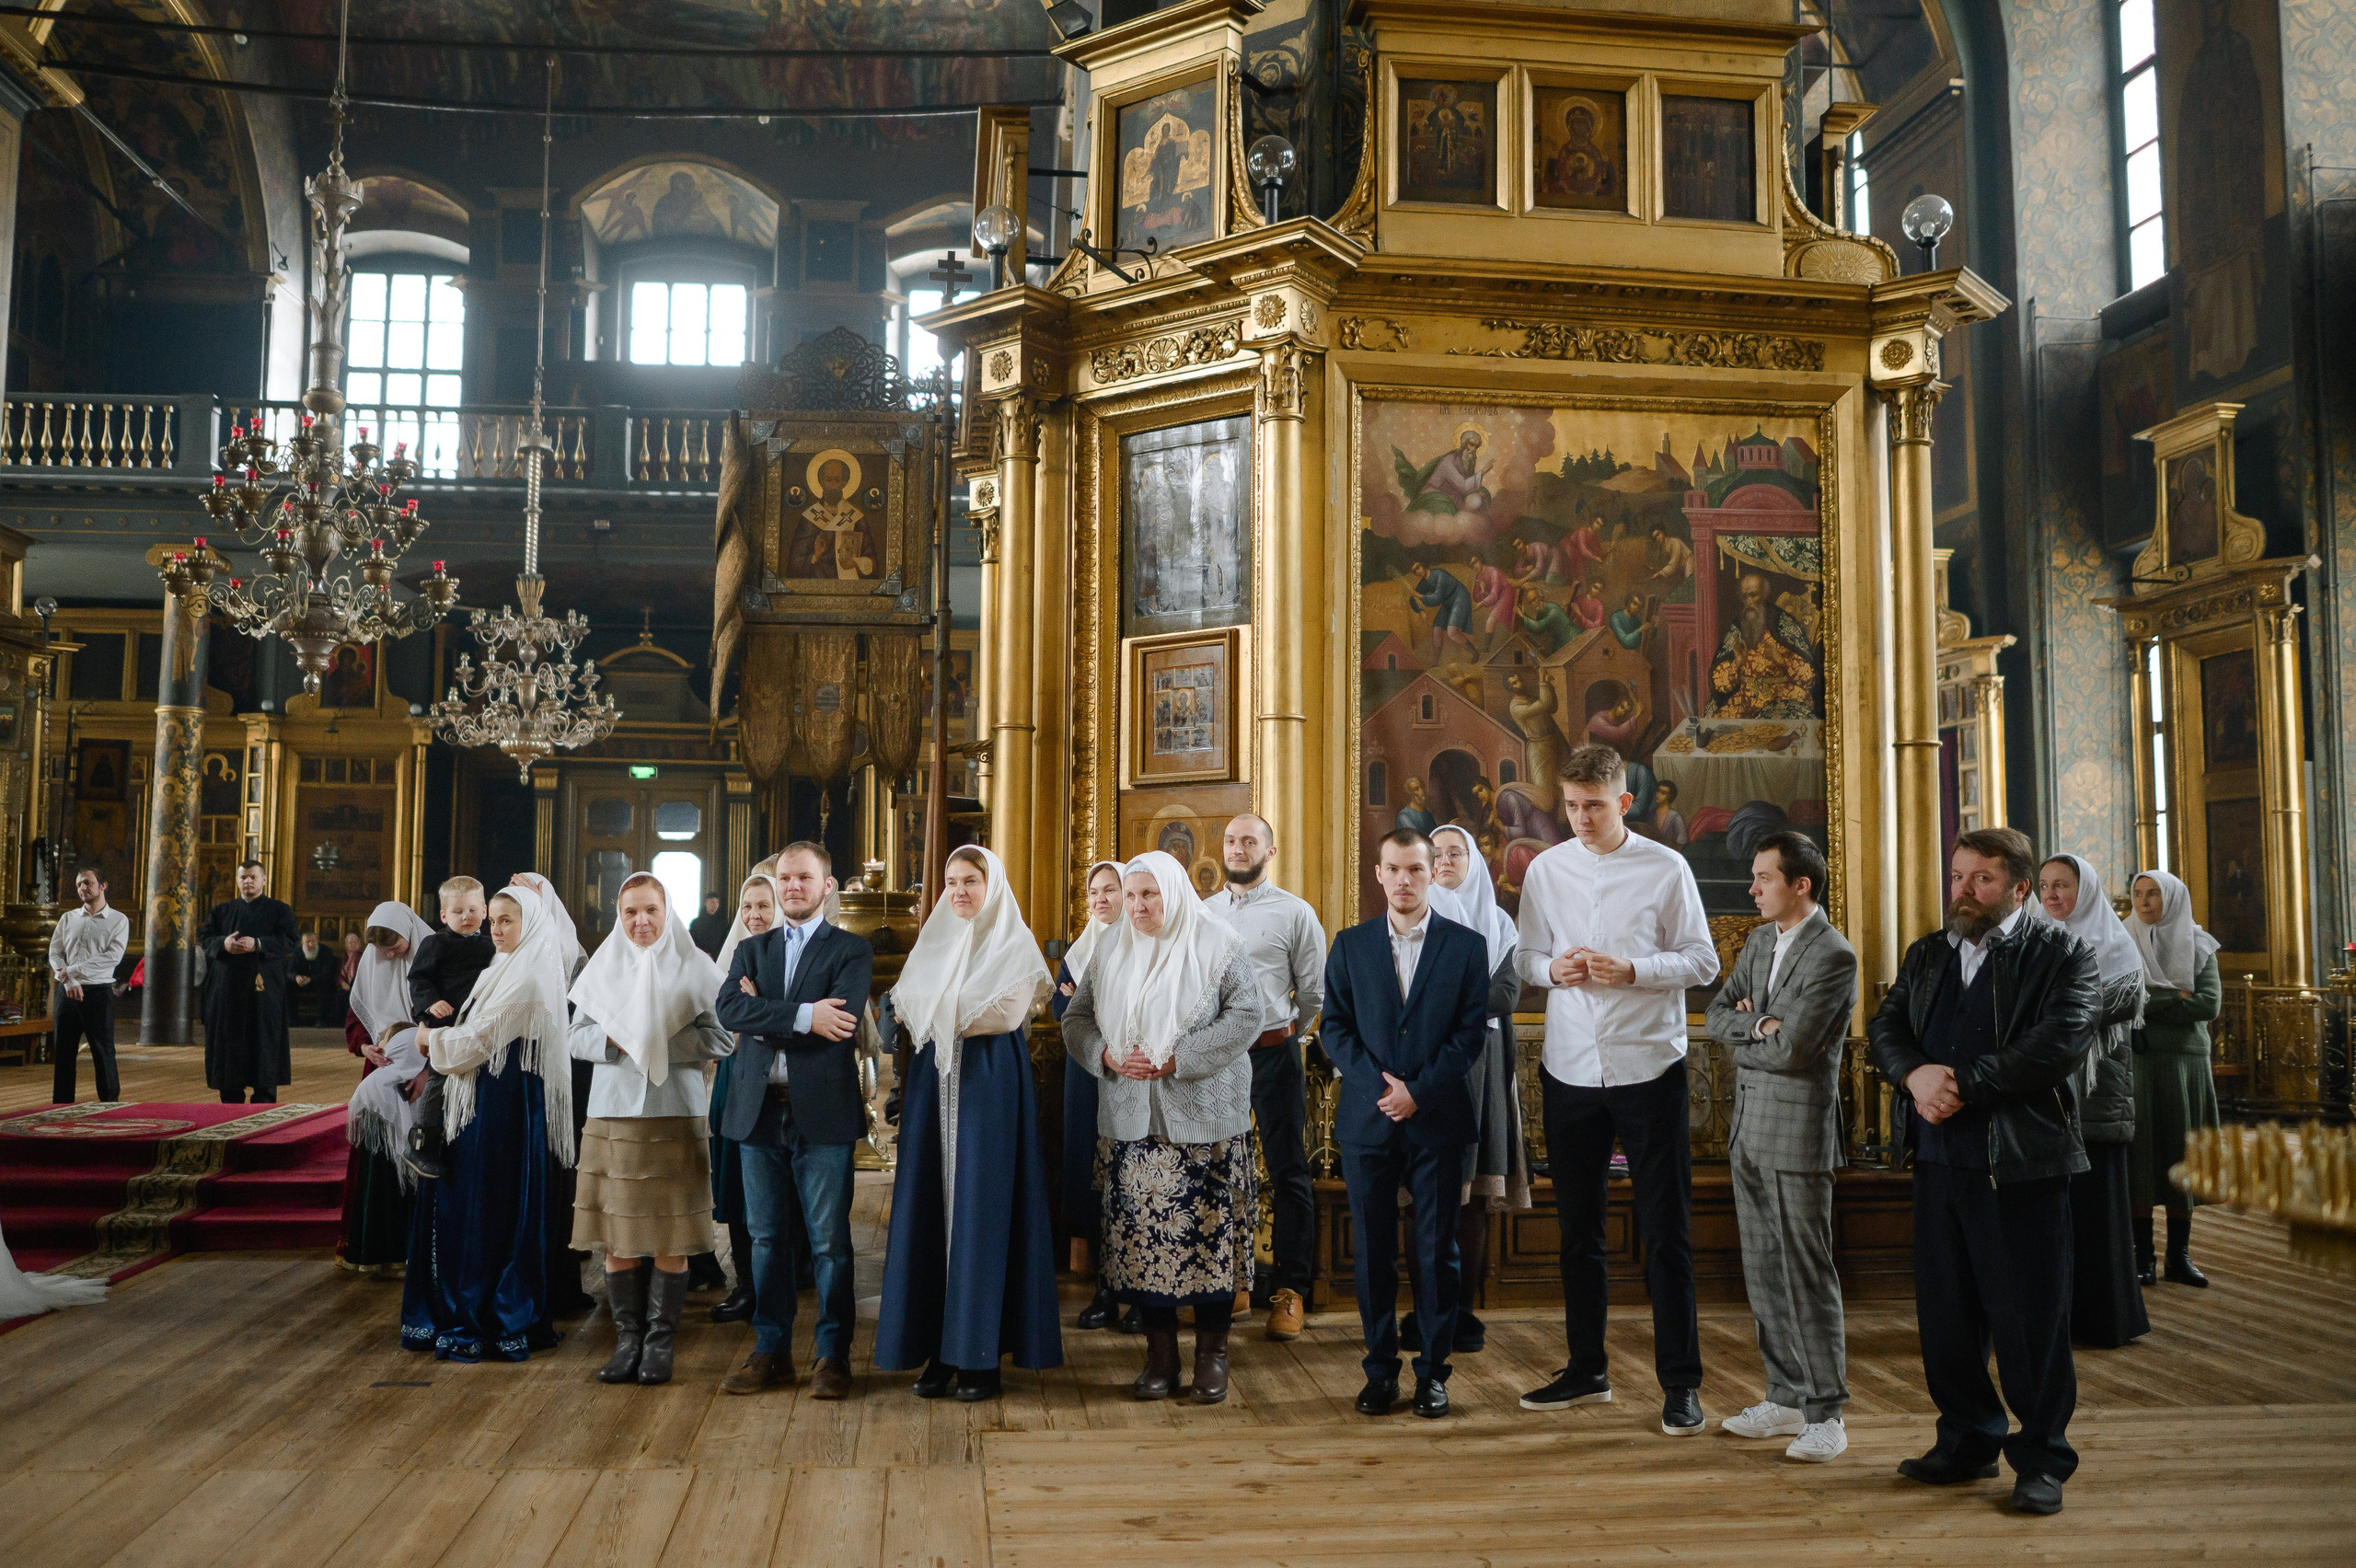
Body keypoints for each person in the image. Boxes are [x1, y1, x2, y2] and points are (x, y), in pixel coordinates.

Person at [1868, 826, 2099, 1516]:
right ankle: (1967, 1440)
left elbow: (2055, 1045)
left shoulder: (2063, 954)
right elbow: (1887, 1025)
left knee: (2029, 1319)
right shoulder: (1929, 952)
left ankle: (2041, 1459)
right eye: (1958, 876)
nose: (1964, 892)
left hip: (2020, 1163)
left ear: (2020, 889)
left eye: (1982, 880)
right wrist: (1912, 1075)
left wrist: (1960, 1084)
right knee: (1947, 1317)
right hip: (1938, 1159)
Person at [1513, 744, 1719, 1435]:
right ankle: (1586, 1369)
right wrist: (1553, 969)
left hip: (1649, 1068)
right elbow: (1525, 957)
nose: (1580, 818)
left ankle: (1681, 1383)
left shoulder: (1667, 867)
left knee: (1666, 1233)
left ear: (1624, 802)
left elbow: (1702, 959)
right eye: (1571, 806)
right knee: (1578, 1232)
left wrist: (1631, 970)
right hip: (1570, 1067)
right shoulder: (1546, 869)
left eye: (1594, 807)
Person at [1060, 852, 1257, 1403]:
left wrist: (1180, 1056)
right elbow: (1075, 1019)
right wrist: (1107, 1055)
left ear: (1173, 892)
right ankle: (1160, 1358)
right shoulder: (1109, 949)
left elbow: (1247, 1017)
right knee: (1141, 1246)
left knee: (1207, 1240)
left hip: (1205, 1123)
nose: (1139, 906)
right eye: (1131, 895)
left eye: (1150, 894)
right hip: (1130, 1122)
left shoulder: (1219, 944)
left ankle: (1212, 1358)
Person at [873, 846, 1060, 1401]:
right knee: (931, 1206)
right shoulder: (935, 942)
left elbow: (1002, 1016)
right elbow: (901, 1009)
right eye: (952, 881)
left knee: (982, 1208)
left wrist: (935, 1011)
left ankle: (978, 1355)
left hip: (988, 1084)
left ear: (992, 886)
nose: (959, 891)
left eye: (971, 881)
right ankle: (937, 1350)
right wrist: (937, 1011)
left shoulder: (1015, 945)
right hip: (935, 1083)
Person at [1321, 828, 1492, 1419]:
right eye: (1393, 869)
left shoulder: (1468, 947)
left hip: (1437, 1117)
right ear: (1379, 874)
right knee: (1371, 1252)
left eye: (1415, 870)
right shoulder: (1348, 945)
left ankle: (1433, 1374)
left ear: (1432, 873)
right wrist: (1381, 1089)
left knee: (1435, 1251)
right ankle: (1379, 1372)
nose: (1403, 880)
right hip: (1368, 1120)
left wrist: (1418, 1092)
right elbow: (1334, 1030)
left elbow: (1470, 1035)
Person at [1703, 832, 1860, 1463]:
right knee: (1765, 1270)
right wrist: (1760, 1022)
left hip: (1797, 1133)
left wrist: (1760, 1028)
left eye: (1764, 878)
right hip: (1748, 1130)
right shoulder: (1761, 940)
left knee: (1805, 1272)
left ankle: (1828, 1414)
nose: (1752, 888)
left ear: (1802, 885)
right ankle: (1786, 1396)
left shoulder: (1833, 955)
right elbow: (1715, 1016)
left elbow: (1797, 1051)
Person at [713, 844, 873, 1399]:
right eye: (785, 878)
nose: (793, 886)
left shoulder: (850, 950)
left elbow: (844, 1020)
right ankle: (771, 1351)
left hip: (823, 1113)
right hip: (758, 1111)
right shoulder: (751, 950)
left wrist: (766, 1017)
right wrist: (806, 1014)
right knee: (766, 1239)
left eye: (805, 877)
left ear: (826, 886)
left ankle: (832, 1357)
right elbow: (728, 1010)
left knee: (829, 1243)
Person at [400, 882, 575, 1362]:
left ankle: (486, 1316)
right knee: (468, 1203)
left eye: (506, 921)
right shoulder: (501, 963)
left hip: (502, 1105)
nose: (496, 930)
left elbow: (477, 1041)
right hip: (481, 1098)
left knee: (486, 1207)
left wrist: (426, 1042)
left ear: (531, 923)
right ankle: (461, 1306)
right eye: (493, 920)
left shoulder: (530, 975)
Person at [568, 872, 731, 1387]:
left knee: (670, 1234)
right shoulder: (603, 967)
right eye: (631, 912)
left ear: (668, 914)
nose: (641, 921)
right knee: (618, 1235)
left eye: (651, 911)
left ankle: (661, 1342)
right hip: (614, 1113)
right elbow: (574, 1038)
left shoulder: (696, 967)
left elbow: (724, 1040)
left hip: (674, 1114)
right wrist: (617, 1040)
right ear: (620, 916)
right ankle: (627, 1340)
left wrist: (658, 1039)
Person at [1201, 813, 1327, 1342]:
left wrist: (1286, 1041)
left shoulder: (1295, 914)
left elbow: (1314, 994)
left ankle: (1292, 1291)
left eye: (1249, 840)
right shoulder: (1200, 914)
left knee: (1288, 1170)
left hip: (1274, 1054)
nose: (1237, 848)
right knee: (1217, 1170)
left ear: (1269, 851)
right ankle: (1232, 1284)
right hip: (1215, 1061)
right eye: (1230, 840)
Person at [1402, 825, 1524, 1357]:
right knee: (1421, 1194)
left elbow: (1507, 992)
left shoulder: (1498, 925)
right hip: (1421, 1068)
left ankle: (1462, 1312)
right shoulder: (1410, 923)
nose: (1445, 860)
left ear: (1473, 861)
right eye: (1437, 854)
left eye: (1456, 852)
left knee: (1472, 1196)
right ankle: (1425, 1308)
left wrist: (1443, 998)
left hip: (1482, 1069)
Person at [2033, 855, 2150, 1345]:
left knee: (2097, 1209)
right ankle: (2053, 1318)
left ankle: (2105, 1320)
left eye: (2062, 885)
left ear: (2087, 890)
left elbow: (2093, 1013)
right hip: (2046, 1099)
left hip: (2097, 1099)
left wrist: (2041, 1014)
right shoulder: (2032, 942)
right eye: (2044, 886)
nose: (2052, 895)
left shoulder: (2116, 947)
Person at [2126, 869, 2223, 1290]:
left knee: (2182, 1157)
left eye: (2154, 895)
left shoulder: (2199, 944)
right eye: (2139, 894)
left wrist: (2151, 1001)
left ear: (2173, 899)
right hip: (2141, 1062)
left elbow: (2208, 1004)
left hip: (2186, 1064)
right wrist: (2173, 995)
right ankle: (2142, 1256)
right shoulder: (2123, 941)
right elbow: (2124, 1000)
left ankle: (2179, 1256)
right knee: (2143, 1160)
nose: (2146, 902)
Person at [341, 901, 437, 1274]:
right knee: (377, 1161)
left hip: (425, 1069)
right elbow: (357, 1016)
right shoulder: (372, 957)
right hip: (381, 1063)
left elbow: (450, 1019)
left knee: (416, 1153)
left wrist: (428, 1069)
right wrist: (363, 1045)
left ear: (410, 934)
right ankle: (374, 1250)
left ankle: (415, 1251)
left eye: (395, 946)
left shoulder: (430, 954)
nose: (389, 954)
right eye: (382, 949)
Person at [1054, 860, 1128, 1332]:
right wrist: (1087, 1003)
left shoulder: (1140, 943)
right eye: (1093, 892)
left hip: (1133, 1075)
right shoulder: (1079, 952)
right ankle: (1104, 1288)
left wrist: (1087, 1000)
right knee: (1092, 1177)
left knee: (1131, 1180)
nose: (1100, 899)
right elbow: (1065, 1009)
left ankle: (1138, 1294)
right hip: (1085, 1072)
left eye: (1110, 890)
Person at [707, 870, 780, 1325]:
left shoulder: (796, 955)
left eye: (763, 907)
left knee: (774, 1189)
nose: (754, 915)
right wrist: (750, 1011)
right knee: (734, 1180)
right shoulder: (732, 956)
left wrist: (755, 1008)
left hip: (776, 1082)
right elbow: (720, 1018)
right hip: (734, 1078)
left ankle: (778, 1283)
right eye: (748, 907)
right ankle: (746, 1285)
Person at [401, 877, 496, 1180]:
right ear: (444, 916)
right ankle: (421, 1143)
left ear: (485, 910)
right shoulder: (435, 943)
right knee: (438, 1079)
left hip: (481, 1025)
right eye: (457, 912)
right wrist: (430, 1004)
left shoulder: (493, 944)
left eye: (472, 910)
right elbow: (418, 979)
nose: (466, 917)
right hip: (446, 1024)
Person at [197, 860, 300, 1105]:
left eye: (253, 877)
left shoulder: (279, 910)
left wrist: (259, 944)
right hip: (228, 991)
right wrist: (224, 944)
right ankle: (230, 1099)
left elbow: (291, 941)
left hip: (264, 991)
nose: (248, 882)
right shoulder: (222, 910)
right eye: (243, 877)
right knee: (230, 1044)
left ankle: (264, 1098)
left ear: (264, 880)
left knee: (263, 1041)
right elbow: (204, 937)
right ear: (237, 880)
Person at [48, 866, 128, 1104]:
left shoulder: (118, 920)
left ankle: (109, 1104)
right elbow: (55, 951)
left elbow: (112, 957)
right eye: (79, 884)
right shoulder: (68, 918)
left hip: (97, 992)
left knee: (103, 1052)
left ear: (102, 886)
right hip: (66, 991)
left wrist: (71, 970)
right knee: (63, 1052)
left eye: (87, 883)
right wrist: (69, 979)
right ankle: (61, 1105)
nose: (82, 888)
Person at [289, 930, 341, 1027]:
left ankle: (321, 1020)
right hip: (301, 983)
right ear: (302, 942)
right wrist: (296, 977)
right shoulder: (297, 952)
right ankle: (293, 1019)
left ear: (317, 940)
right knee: (288, 986)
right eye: (307, 942)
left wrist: (311, 979)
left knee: (325, 987)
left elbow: (328, 972)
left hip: (319, 982)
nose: (310, 944)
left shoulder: (326, 951)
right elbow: (290, 971)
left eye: (313, 941)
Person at [689, 893, 731, 959]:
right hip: (700, 957)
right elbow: (692, 941)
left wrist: (714, 955)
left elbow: (725, 941)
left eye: (717, 902)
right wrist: (705, 953)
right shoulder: (696, 923)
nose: (715, 905)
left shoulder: (723, 923)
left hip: (718, 957)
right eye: (712, 902)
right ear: (706, 903)